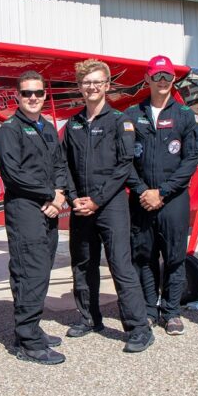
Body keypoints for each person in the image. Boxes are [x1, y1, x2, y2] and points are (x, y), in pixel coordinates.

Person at [62, 59, 154, 353]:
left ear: (107, 85)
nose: (92, 87)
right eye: (86, 82)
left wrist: (97, 199)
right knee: (82, 264)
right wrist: (74, 198)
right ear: (79, 87)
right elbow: (65, 166)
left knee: (120, 265)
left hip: (110, 205)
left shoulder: (119, 122)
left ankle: (139, 328)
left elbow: (124, 165)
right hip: (81, 206)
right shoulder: (73, 124)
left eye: (97, 82)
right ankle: (90, 319)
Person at [0, 71, 67, 365]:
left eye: (37, 93)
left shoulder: (47, 128)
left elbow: (60, 164)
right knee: (29, 271)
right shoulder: (8, 131)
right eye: (26, 93)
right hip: (25, 209)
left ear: (45, 96)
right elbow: (14, 176)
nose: (32, 98)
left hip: (49, 208)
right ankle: (28, 342)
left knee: (43, 269)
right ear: (17, 97)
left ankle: (31, 328)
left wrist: (59, 195)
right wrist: (50, 194)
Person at [125, 55, 198, 335]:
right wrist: (143, 190)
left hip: (173, 200)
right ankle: (148, 309)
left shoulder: (185, 116)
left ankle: (171, 312)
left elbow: (191, 160)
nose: (162, 81)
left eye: (167, 76)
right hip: (142, 200)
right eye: (156, 76)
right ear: (147, 79)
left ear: (173, 80)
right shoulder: (132, 116)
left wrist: (164, 192)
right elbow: (125, 161)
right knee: (144, 255)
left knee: (174, 256)